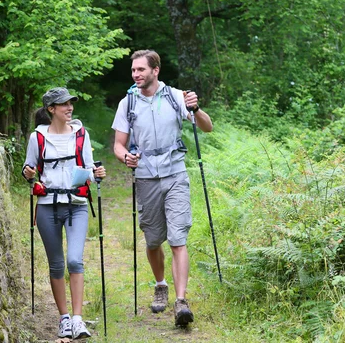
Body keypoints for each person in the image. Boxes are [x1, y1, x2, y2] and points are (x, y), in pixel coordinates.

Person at [111, 50, 213, 327]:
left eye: (141, 70)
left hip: (175, 174)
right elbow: (119, 144)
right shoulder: (128, 103)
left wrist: (196, 108)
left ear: (156, 70)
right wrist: (124, 157)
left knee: (178, 238)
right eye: (134, 70)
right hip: (144, 177)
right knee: (153, 240)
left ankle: (181, 302)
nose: (136, 74)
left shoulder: (176, 96)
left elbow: (207, 127)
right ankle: (161, 285)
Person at [23, 87, 106, 340]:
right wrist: (27, 173)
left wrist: (97, 174)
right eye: (64, 105)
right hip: (47, 205)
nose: (69, 108)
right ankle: (64, 319)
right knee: (56, 264)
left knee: (74, 260)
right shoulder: (37, 137)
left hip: (76, 204)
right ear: (51, 109)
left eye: (71, 104)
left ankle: (79, 320)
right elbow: (29, 168)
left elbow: (90, 168)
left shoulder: (81, 134)